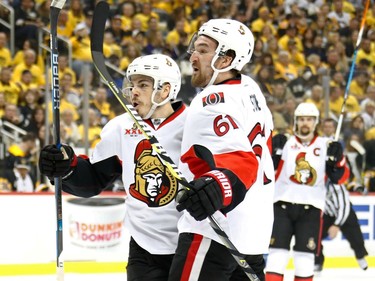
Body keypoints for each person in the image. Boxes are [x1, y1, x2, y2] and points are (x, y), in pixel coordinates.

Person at [38, 54, 187, 281]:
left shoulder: (193, 124)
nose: (133, 91)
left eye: (143, 85)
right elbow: (93, 180)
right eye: (133, 84)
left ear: (165, 90)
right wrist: (67, 168)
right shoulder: (121, 127)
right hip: (144, 248)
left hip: (192, 243)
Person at [171, 19, 275, 281]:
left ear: (226, 59)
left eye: (203, 50)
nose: (193, 56)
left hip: (215, 232)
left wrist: (217, 186)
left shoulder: (210, 100)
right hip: (254, 237)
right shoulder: (250, 88)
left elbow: (241, 161)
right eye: (194, 49)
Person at [265, 103, 350, 281]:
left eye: (309, 120)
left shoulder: (326, 145)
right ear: (295, 121)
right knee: (276, 258)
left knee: (305, 260)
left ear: (315, 122)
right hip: (282, 206)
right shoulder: (284, 142)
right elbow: (268, 172)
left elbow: (341, 178)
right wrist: (271, 152)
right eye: (302, 119)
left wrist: (339, 161)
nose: (305, 123)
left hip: (311, 208)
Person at [314, 181, 369, 273]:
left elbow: (344, 206)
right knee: (314, 234)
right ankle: (317, 261)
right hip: (328, 214)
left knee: (356, 237)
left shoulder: (336, 185)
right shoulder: (315, 183)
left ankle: (360, 256)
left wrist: (336, 225)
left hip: (345, 213)